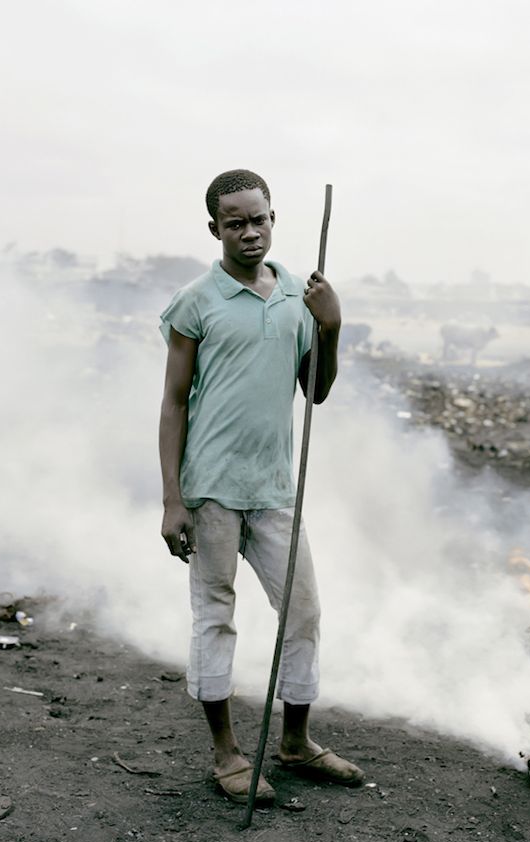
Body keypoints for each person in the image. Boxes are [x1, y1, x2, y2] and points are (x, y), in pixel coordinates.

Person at [158, 169, 364, 805]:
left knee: (302, 612)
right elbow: (172, 403)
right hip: (212, 489)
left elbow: (316, 392)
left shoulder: (302, 294)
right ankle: (227, 754)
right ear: (214, 228)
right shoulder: (197, 301)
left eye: (260, 219)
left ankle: (296, 742)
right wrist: (172, 499)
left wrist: (330, 328)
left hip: (276, 486)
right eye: (235, 223)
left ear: (274, 217)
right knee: (215, 616)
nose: (250, 232)